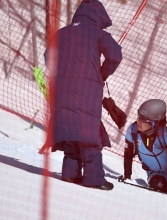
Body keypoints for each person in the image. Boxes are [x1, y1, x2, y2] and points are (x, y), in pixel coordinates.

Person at [43, 0, 122, 190]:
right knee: (89, 136)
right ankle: (94, 179)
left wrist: (62, 74)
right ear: (98, 16)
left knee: (71, 131)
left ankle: (70, 174)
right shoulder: (97, 33)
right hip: (87, 93)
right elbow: (115, 55)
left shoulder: (61, 33)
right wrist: (102, 74)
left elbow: (48, 57)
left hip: (62, 92)